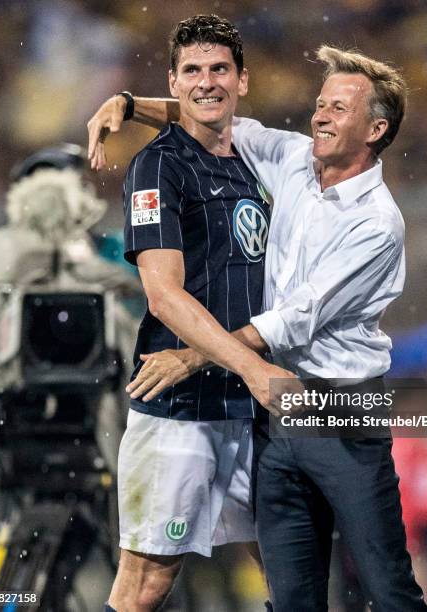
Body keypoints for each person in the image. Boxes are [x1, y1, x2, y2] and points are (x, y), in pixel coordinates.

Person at [88, 29, 427, 612]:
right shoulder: (283, 159)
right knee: (243, 588)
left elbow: (296, 318)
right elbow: (210, 117)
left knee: (377, 584)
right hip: (242, 407)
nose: (320, 116)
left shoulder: (375, 222)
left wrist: (202, 355)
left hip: (327, 405)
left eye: (338, 108)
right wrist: (126, 103)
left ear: (375, 131)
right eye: (320, 103)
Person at [93, 14, 297, 612]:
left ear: (243, 80)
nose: (206, 82)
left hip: (250, 412)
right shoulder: (158, 167)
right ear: (174, 81)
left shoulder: (256, 156)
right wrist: (255, 370)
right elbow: (164, 296)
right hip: (182, 413)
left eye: (219, 70)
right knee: (147, 585)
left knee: (290, 569)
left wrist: (130, 103)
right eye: (192, 71)